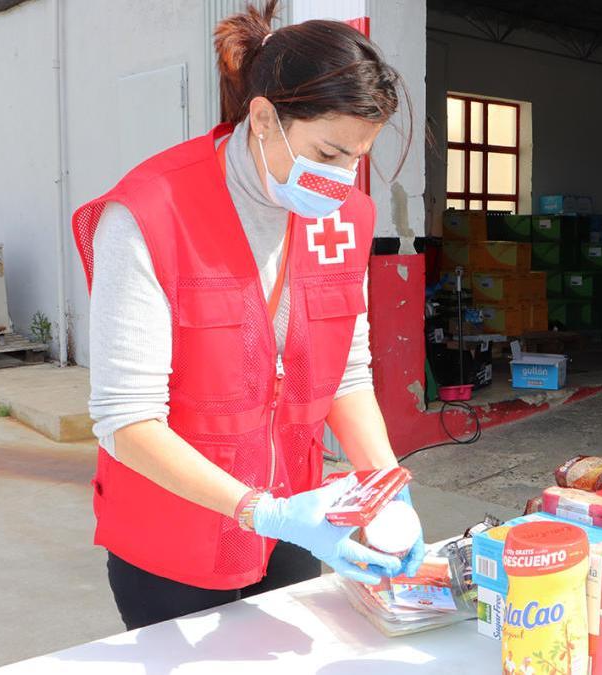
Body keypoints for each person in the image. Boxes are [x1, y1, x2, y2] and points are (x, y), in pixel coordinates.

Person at [70, 0, 423, 630]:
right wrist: (256, 510)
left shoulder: (341, 217)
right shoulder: (150, 214)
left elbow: (347, 372)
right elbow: (127, 420)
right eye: (329, 152)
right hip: (173, 533)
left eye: (357, 158)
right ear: (264, 118)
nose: (342, 179)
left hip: (297, 514)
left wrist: (385, 489)